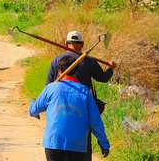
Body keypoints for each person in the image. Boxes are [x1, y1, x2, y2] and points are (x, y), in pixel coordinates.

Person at [46, 31, 117, 161]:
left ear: (66, 44)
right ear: (82, 44)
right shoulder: (88, 61)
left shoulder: (56, 60)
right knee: (83, 148)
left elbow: (48, 87)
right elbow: (103, 78)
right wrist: (111, 68)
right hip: (81, 112)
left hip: (58, 112)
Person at [30, 55, 110, 161]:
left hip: (54, 142)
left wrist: (33, 102)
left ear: (59, 71)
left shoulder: (51, 88)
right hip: (77, 144)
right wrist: (103, 143)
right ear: (76, 71)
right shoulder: (84, 91)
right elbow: (95, 120)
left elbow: (35, 109)